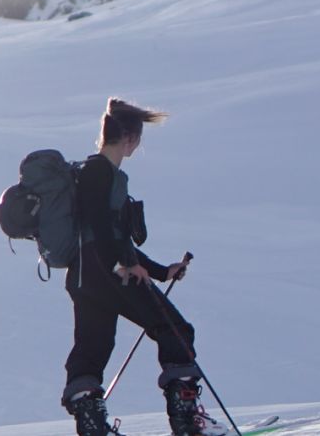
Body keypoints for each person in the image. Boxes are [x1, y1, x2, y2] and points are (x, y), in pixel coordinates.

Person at [61, 98, 227, 436]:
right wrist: (123, 264)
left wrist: (161, 271)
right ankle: (188, 421)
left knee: (93, 347)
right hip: (107, 270)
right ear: (129, 138)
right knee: (175, 330)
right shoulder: (100, 172)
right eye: (138, 139)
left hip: (83, 276)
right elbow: (103, 227)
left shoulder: (92, 173)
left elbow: (109, 235)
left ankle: (92, 427)